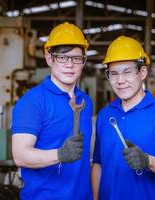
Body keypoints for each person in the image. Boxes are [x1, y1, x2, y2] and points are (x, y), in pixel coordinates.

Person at [91, 36, 155, 200]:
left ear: (142, 72)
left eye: (127, 72)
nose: (120, 81)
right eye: (113, 73)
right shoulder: (105, 115)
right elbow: (98, 165)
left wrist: (148, 161)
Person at [11, 22, 93, 199]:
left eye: (76, 58)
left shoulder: (85, 101)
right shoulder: (32, 102)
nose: (70, 64)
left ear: (83, 61)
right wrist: (60, 154)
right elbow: (20, 156)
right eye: (62, 57)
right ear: (49, 58)